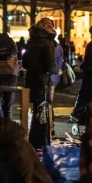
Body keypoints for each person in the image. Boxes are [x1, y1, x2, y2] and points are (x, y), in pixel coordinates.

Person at [22, 18, 58, 149]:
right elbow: (50, 65)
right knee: (42, 113)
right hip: (43, 82)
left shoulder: (30, 42)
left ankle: (33, 140)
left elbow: (25, 63)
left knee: (36, 112)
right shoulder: (48, 43)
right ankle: (41, 142)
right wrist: (57, 71)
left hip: (31, 80)